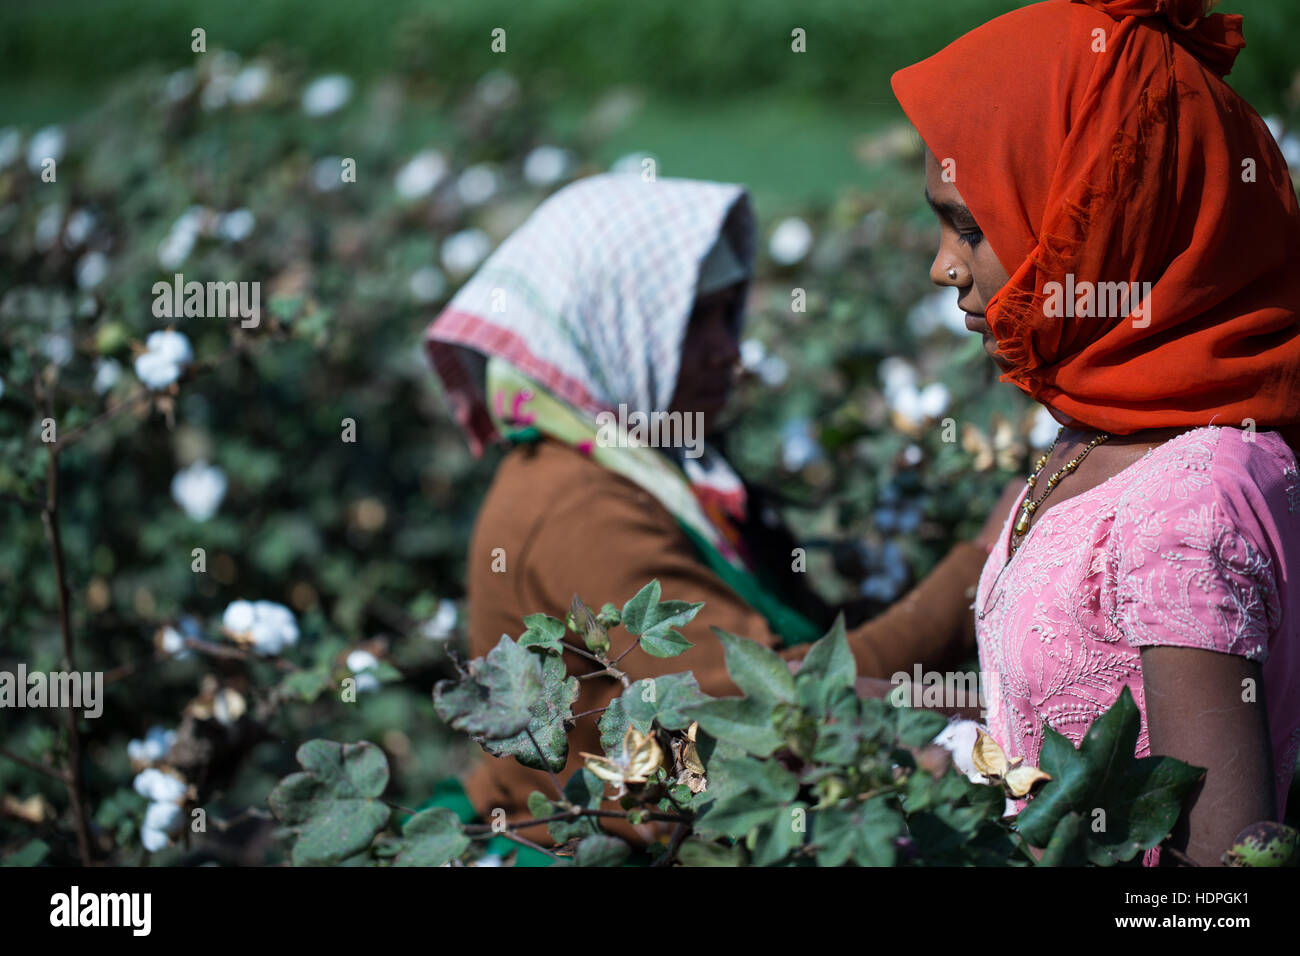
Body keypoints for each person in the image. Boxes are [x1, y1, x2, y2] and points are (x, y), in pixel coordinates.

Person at [425, 173, 1000, 840]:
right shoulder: (578, 505)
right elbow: (769, 710)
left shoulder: (639, 462)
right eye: (692, 319)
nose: (728, 350)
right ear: (608, 324)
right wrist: (977, 574)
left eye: (729, 313)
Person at [891, 0, 1300, 865]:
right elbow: (1066, 719)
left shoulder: (1190, 500)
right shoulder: (1104, 434)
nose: (944, 265)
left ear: (1108, 224)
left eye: (971, 225)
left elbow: (1218, 875)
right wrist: (927, 733)